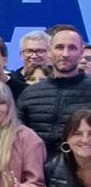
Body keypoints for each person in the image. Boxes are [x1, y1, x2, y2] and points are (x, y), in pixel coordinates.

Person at [18, 25, 91, 153]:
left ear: (81, 52)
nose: (65, 54)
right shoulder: (29, 94)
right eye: (59, 47)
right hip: (37, 164)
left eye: (72, 48)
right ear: (49, 51)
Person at [44, 110, 91, 187]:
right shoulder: (51, 170)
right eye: (77, 134)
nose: (85, 139)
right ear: (67, 138)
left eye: (90, 133)